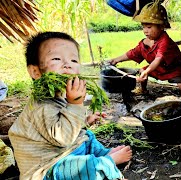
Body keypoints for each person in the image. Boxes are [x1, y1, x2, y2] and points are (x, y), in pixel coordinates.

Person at [8, 31, 132, 180]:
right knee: (78, 167)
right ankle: (107, 162)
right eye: (56, 59)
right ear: (35, 71)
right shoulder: (41, 106)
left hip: (64, 151)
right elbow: (63, 138)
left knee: (87, 136)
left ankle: (102, 154)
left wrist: (84, 121)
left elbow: (63, 122)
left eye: (74, 61)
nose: (67, 65)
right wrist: (75, 104)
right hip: (47, 168)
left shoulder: (57, 94)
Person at [108, 0, 181, 100]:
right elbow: (133, 53)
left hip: (174, 69)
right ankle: (143, 90)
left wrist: (147, 71)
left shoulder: (165, 41)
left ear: (161, 27)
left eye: (149, 27)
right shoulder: (145, 42)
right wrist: (116, 59)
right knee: (142, 70)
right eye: (143, 27)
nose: (145, 31)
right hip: (158, 69)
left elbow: (157, 59)